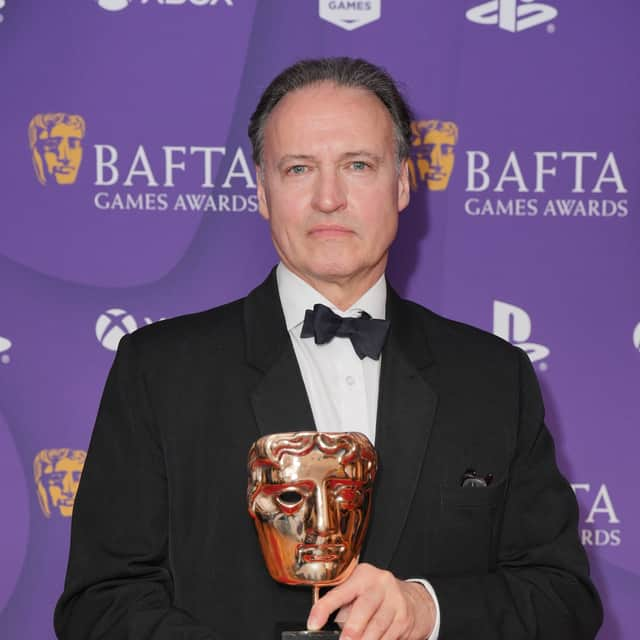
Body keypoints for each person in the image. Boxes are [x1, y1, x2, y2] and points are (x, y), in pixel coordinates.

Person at [55, 57, 602, 639]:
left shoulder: (494, 377)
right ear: (262, 190)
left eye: (358, 165)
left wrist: (427, 609)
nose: (329, 198)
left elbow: (561, 596)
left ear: (403, 183)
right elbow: (101, 603)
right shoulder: (160, 371)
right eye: (298, 169)